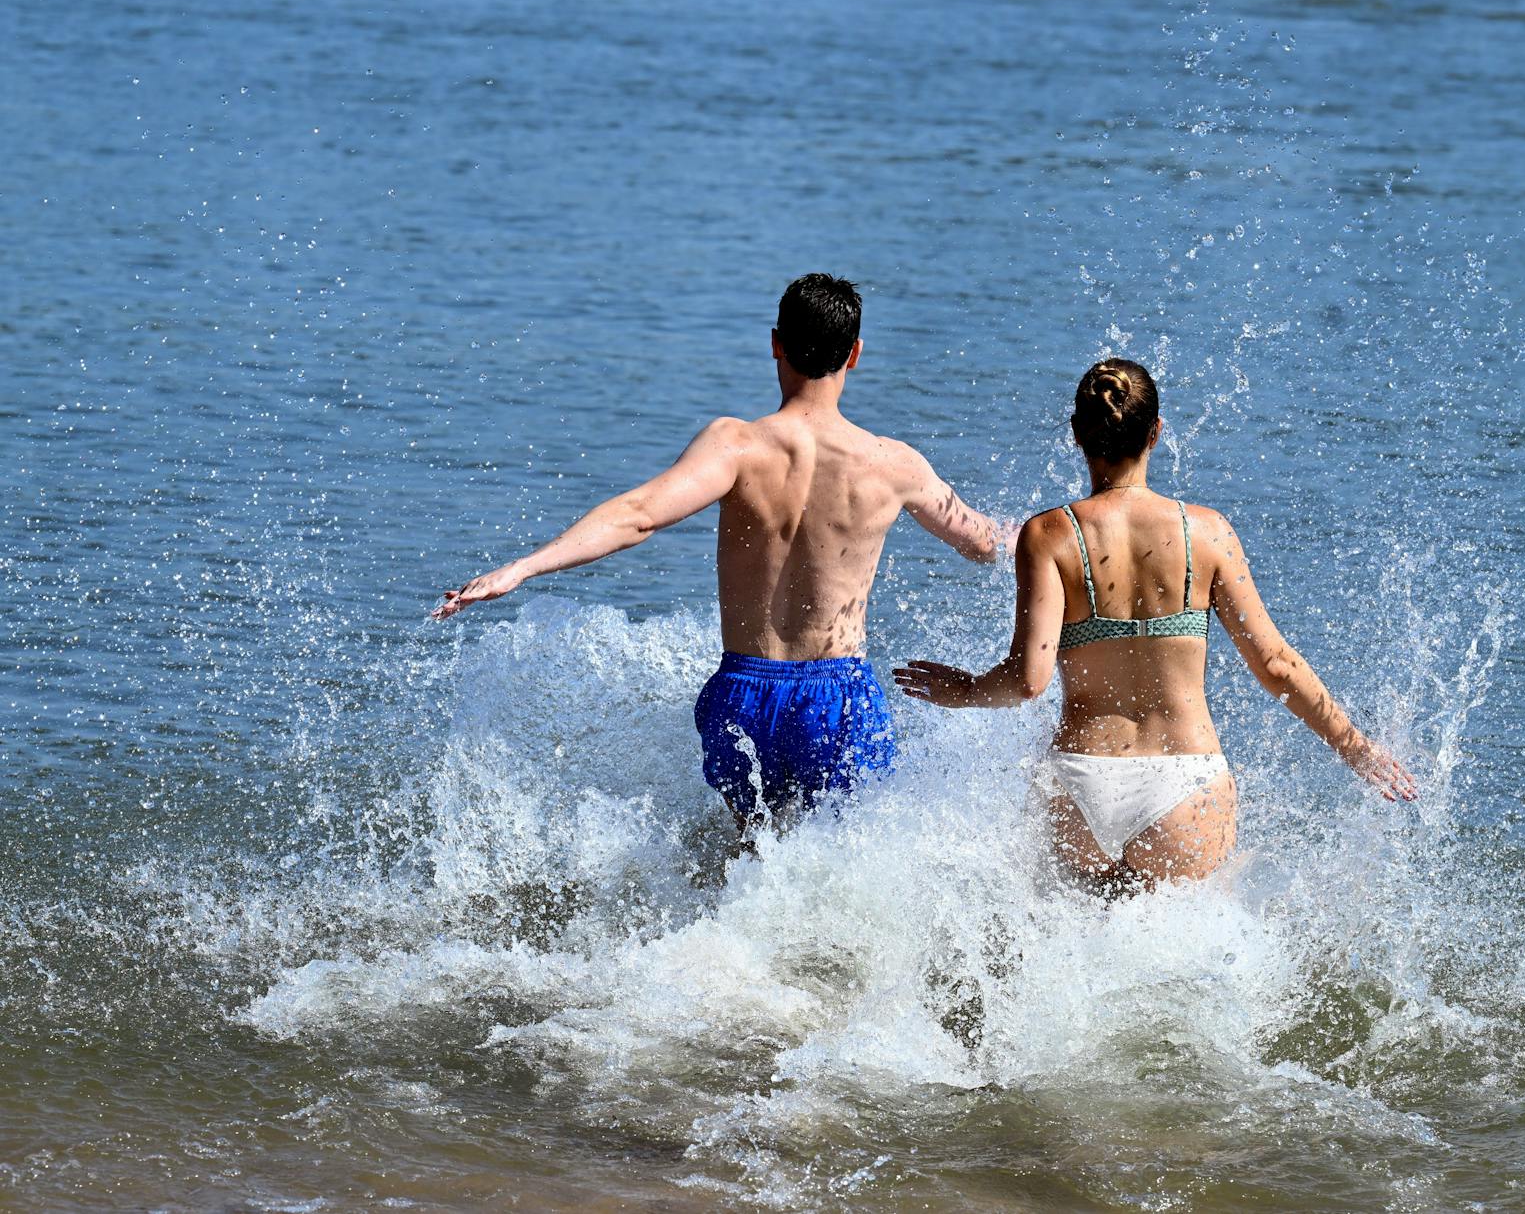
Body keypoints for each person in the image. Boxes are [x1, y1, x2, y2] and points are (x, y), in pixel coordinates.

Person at [433, 274, 1006, 829]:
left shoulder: (736, 447)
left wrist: (525, 566)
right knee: (843, 863)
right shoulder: (892, 464)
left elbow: (638, 516)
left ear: (775, 343)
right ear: (854, 354)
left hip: (743, 698)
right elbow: (981, 542)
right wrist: (1052, 527)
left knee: (752, 865)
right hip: (839, 700)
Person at [894, 358, 1415, 890]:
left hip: (1080, 781)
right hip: (1185, 784)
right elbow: (1276, 666)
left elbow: (1029, 680)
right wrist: (1357, 747)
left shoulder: (1048, 534)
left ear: (1076, 432)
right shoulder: (1208, 533)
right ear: (1157, 432)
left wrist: (965, 690)